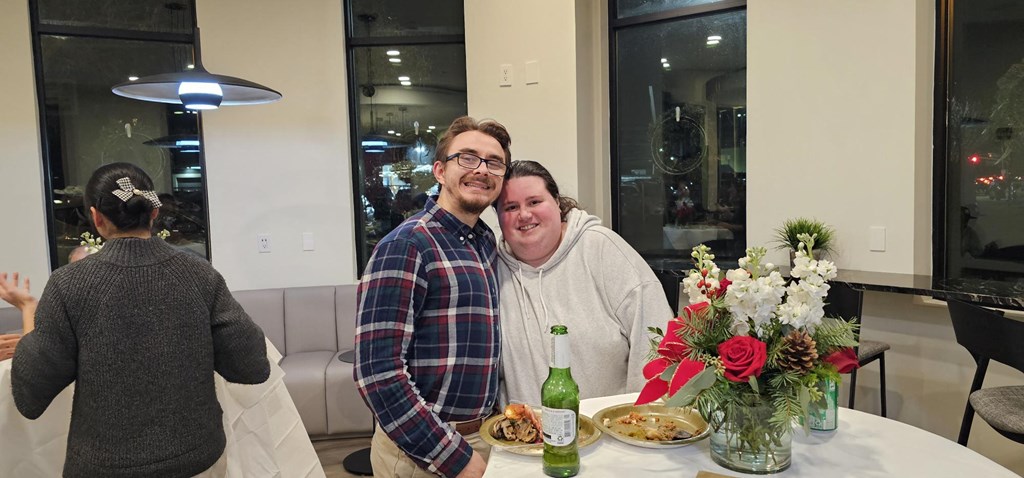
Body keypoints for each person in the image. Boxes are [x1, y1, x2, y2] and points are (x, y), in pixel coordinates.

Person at [11, 162, 270, 477]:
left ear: (96, 218)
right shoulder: (199, 274)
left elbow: (30, 393)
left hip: (104, 466)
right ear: (153, 213)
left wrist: (27, 308)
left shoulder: (69, 284)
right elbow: (253, 365)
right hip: (198, 458)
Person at [354, 116, 511, 478]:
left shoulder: (485, 242)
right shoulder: (407, 245)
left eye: (494, 162)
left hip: (484, 435)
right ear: (440, 170)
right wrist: (453, 457)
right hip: (423, 453)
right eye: (467, 158)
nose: (481, 170)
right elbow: (378, 373)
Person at [493, 160, 673, 406]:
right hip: (524, 437)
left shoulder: (602, 248)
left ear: (556, 202)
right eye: (511, 207)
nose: (524, 214)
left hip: (609, 433)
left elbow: (655, 338)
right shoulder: (491, 270)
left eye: (534, 202)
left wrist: (642, 420)